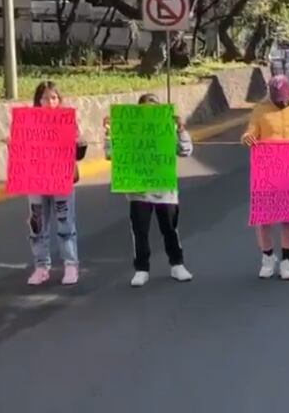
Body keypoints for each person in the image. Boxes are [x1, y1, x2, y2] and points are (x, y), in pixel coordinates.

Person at [103, 94, 195, 287]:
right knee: (140, 231)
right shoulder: (131, 132)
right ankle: (141, 269)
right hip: (139, 191)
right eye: (145, 109)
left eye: (154, 109)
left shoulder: (166, 130)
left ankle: (177, 264)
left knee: (170, 229)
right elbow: (111, 154)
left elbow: (185, 151)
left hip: (165, 191)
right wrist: (110, 133)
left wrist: (181, 130)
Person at [241, 75, 289, 280]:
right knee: (264, 218)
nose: (282, 104)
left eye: (285, 100)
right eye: (277, 101)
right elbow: (250, 132)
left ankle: (286, 262)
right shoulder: (260, 110)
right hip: (267, 169)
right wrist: (247, 138)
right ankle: (267, 258)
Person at [26, 81, 88, 286]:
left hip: (61, 180)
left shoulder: (67, 122)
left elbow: (77, 154)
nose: (50, 102)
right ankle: (41, 267)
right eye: (45, 98)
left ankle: (70, 265)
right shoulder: (28, 123)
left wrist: (80, 144)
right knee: (37, 226)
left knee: (65, 223)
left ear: (59, 100)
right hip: (36, 181)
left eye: (54, 98)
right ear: (38, 101)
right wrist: (13, 143)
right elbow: (21, 154)